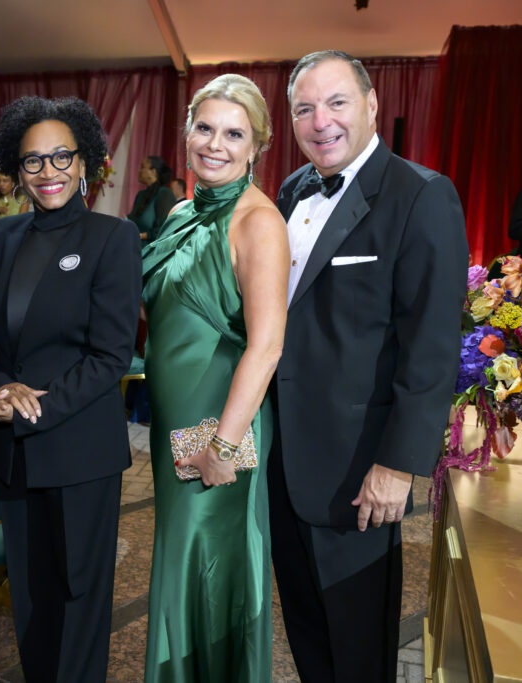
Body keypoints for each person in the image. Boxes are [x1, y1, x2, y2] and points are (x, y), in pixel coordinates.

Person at [271, 50, 467, 682]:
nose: (320, 121)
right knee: (306, 631)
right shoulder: (292, 191)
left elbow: (431, 346)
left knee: (358, 651)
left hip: (360, 469)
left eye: (336, 103)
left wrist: (399, 464)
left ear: (372, 104)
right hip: (284, 460)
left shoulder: (422, 195)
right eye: (304, 108)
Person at [0, 96, 141, 683]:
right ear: (16, 172)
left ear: (86, 161)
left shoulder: (113, 238)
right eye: (33, 162)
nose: (49, 172)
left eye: (61, 157)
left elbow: (110, 356)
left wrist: (28, 407)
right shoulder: (6, 235)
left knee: (77, 597)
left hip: (76, 451)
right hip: (14, 454)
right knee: (32, 596)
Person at [142, 74, 287, 682]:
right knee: (181, 560)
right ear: (187, 131)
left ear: (258, 145)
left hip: (224, 425)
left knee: (209, 565)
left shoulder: (258, 223)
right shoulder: (180, 211)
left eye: (235, 133)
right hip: (173, 422)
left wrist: (223, 445)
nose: (215, 144)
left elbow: (267, 344)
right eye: (205, 128)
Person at [127, 155, 175, 243]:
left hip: (150, 252)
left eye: (142, 167)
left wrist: (141, 235)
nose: (139, 170)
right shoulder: (141, 195)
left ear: (153, 172)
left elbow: (166, 230)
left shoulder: (164, 193)